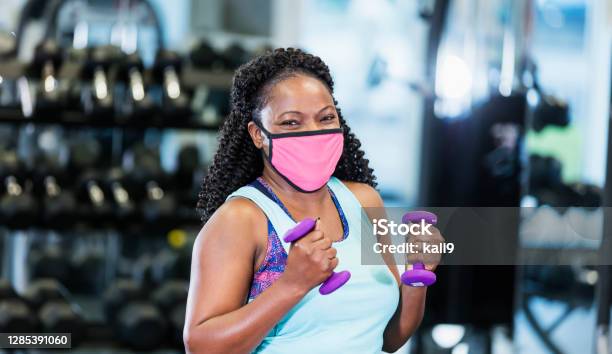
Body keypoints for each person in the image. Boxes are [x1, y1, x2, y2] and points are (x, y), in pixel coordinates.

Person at [183, 47, 444, 354]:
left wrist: (417, 276)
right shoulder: (241, 218)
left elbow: (388, 338)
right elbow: (201, 347)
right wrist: (292, 284)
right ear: (257, 134)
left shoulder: (364, 201)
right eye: (292, 122)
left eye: (325, 118)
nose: (313, 133)